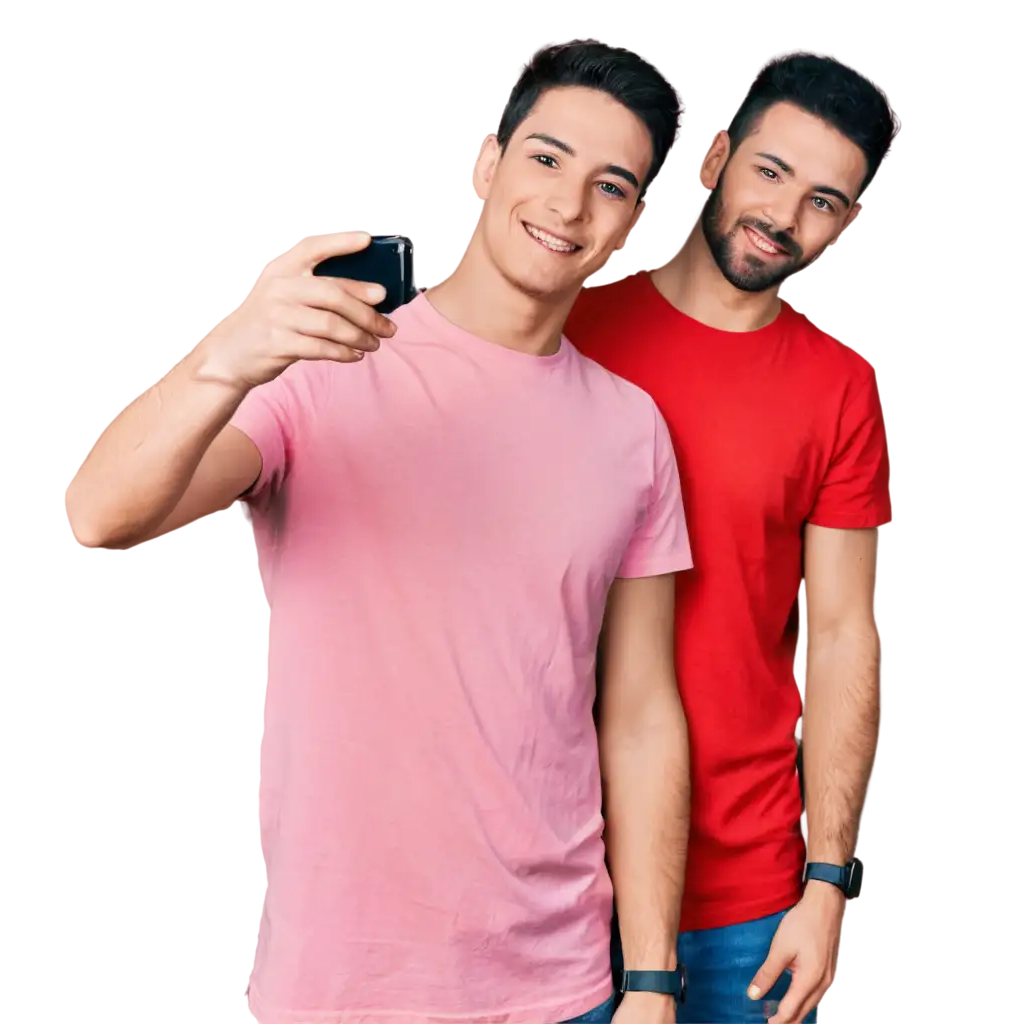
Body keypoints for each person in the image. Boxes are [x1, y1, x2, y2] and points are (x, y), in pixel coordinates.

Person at [61, 44, 693, 1024]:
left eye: (608, 185)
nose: (568, 205)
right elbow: (99, 514)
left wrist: (650, 978)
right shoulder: (324, 360)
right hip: (343, 988)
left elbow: (645, 712)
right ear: (487, 167)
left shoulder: (632, 429)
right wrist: (224, 357)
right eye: (545, 159)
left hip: (564, 985)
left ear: (628, 226)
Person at [566, 55, 894, 1024]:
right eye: (770, 172)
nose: (784, 215)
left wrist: (827, 880)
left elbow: (840, 635)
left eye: (823, 200)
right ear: (713, 159)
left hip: (748, 903)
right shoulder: (572, 326)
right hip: (558, 888)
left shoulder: (835, 387)